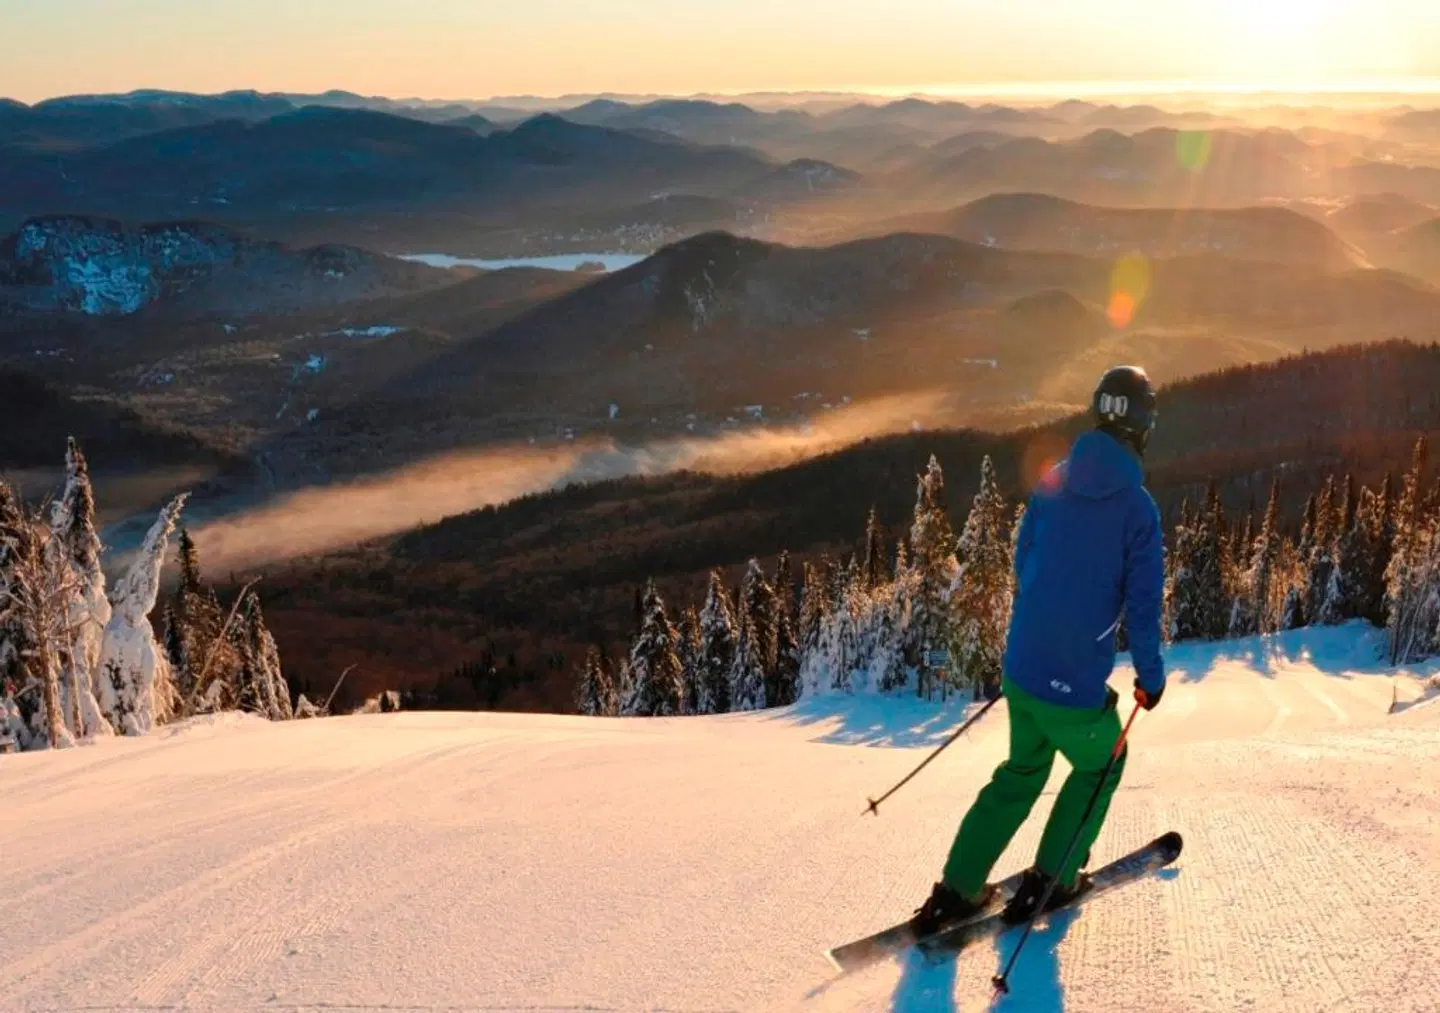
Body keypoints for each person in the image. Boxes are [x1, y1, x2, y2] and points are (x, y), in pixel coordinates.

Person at [911, 364, 1168, 935]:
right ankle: (1054, 876)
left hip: (1022, 670)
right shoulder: (1138, 511)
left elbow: (1024, 562)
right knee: (1103, 764)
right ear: (1144, 425)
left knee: (1022, 771)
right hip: (1072, 686)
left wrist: (1046, 626)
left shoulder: (1054, 479)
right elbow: (1145, 610)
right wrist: (1150, 678)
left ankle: (957, 889)